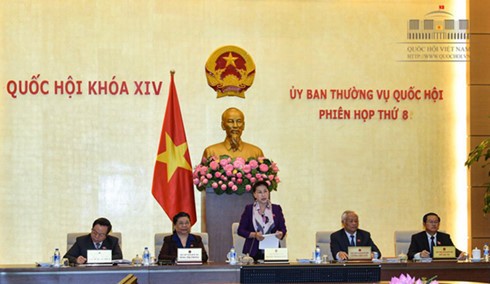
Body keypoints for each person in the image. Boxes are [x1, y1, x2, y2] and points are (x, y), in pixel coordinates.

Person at [237, 181, 287, 261]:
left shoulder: (276, 209)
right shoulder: (249, 209)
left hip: (273, 251)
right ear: (255, 195)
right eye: (259, 192)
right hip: (253, 251)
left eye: (265, 191)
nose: (263, 195)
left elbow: (283, 229)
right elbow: (240, 230)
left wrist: (281, 233)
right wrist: (255, 235)